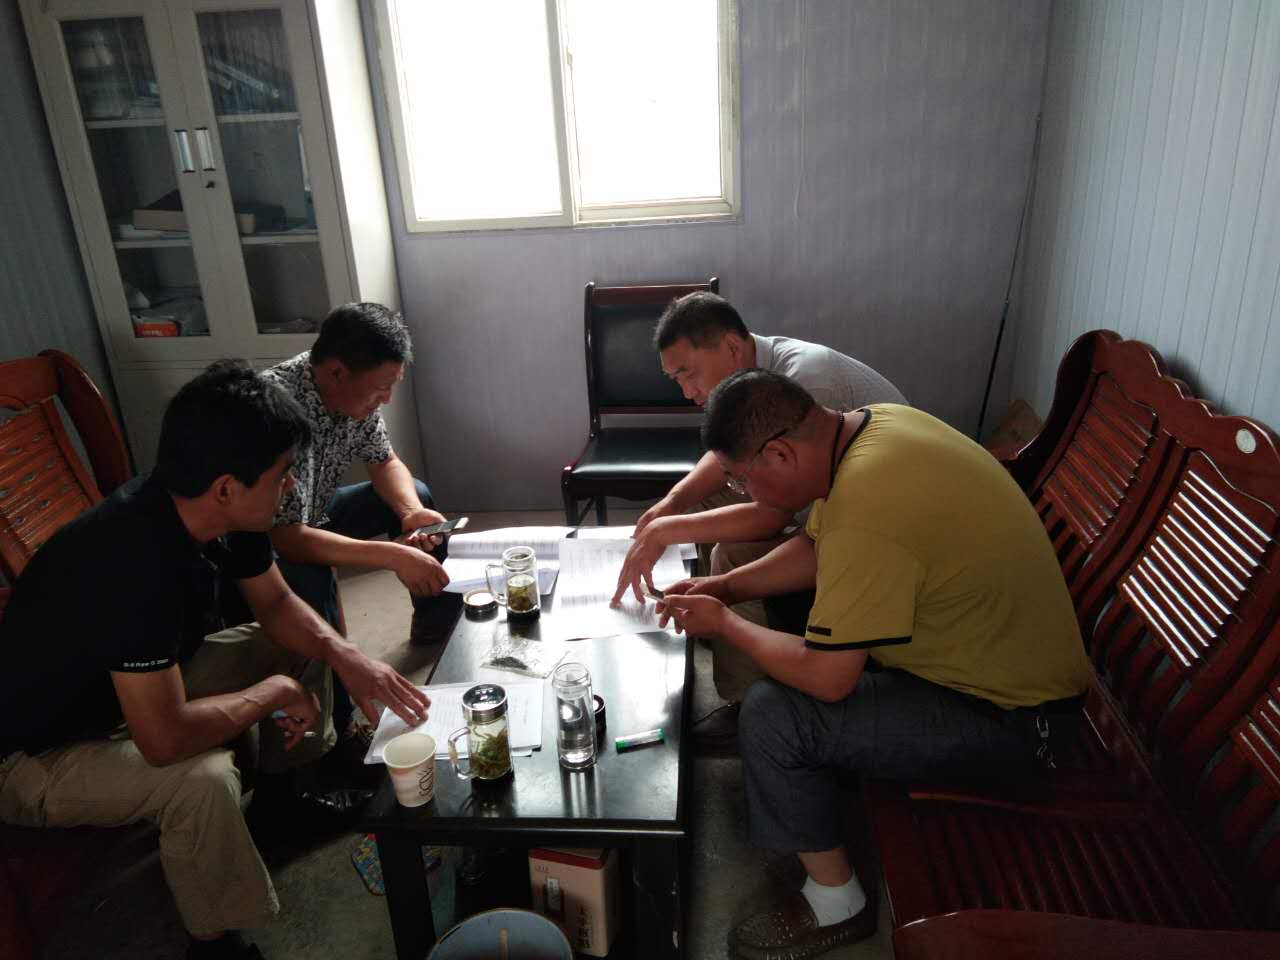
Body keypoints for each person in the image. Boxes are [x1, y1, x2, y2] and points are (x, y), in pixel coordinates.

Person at [0, 361, 430, 960]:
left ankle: (284, 799)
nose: (290, 488)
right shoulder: (131, 562)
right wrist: (271, 694)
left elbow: (276, 604)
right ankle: (214, 945)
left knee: (304, 637)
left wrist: (349, 657)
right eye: (282, 475)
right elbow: (164, 739)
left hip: (132, 691)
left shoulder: (219, 509)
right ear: (227, 487)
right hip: (38, 754)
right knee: (202, 782)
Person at [655, 370, 1088, 959]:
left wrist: (726, 624)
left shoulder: (867, 504)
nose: (745, 493)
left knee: (774, 715)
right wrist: (724, 587)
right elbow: (816, 547)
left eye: (741, 479)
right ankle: (814, 798)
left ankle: (838, 905)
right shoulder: (873, 429)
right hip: (998, 667)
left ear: (779, 452)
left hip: (1018, 723)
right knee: (794, 616)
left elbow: (829, 680)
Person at [611, 291, 906, 747]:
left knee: (732, 551)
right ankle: (706, 616)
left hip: (875, 525)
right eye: (676, 379)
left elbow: (772, 514)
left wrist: (669, 529)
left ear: (731, 347)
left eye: (688, 373)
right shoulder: (757, 372)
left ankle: (745, 702)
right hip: (840, 504)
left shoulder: (808, 384)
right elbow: (728, 459)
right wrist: (672, 504)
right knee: (694, 507)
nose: (686, 391)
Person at [262, 303, 457, 764]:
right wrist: (391, 555)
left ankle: (434, 618)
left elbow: (384, 460)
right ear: (336, 372)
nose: (386, 398)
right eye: (382, 387)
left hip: (314, 512)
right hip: (266, 538)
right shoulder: (277, 409)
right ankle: (344, 727)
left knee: (418, 496)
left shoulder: (352, 394)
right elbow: (286, 537)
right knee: (310, 576)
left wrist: (409, 512)